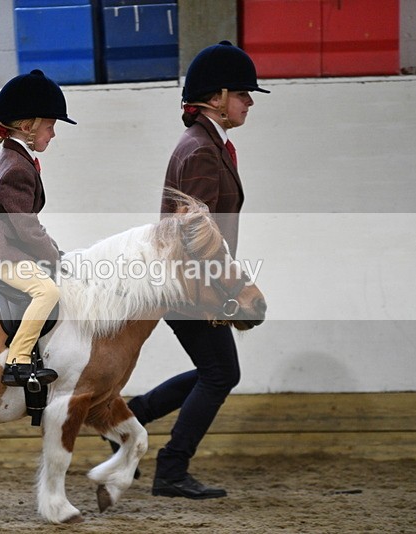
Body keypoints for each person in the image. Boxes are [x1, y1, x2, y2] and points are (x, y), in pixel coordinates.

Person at [116, 40, 269, 498]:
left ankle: (128, 421)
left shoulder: (208, 144)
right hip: (190, 284)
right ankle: (171, 468)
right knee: (221, 373)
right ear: (217, 97)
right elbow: (194, 234)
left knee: (215, 370)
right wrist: (231, 288)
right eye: (243, 93)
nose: (249, 102)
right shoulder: (201, 150)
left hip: (188, 282)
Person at [0, 69, 76, 387]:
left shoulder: (16, 157)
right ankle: (17, 361)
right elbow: (26, 229)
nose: (53, 135)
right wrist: (56, 258)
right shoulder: (17, 167)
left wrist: (54, 251)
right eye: (50, 126)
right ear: (28, 128)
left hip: (0, 241)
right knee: (47, 291)